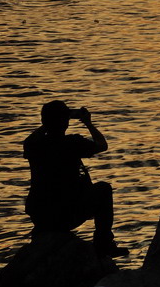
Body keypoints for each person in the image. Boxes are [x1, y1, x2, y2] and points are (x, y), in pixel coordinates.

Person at [23, 100, 127, 257]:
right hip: (66, 215)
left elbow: (35, 136)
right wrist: (88, 123)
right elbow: (102, 145)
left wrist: (51, 122)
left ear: (44, 121)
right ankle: (103, 243)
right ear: (65, 122)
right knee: (103, 189)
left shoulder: (33, 145)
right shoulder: (72, 143)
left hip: (41, 217)